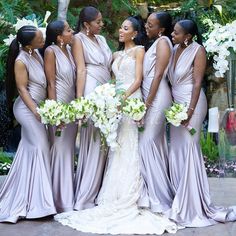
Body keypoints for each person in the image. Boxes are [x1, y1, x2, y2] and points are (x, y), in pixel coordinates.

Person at [54, 17, 178, 235]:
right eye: (121, 26)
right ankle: (114, 194)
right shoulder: (115, 55)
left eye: (125, 28)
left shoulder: (140, 50)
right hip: (116, 103)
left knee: (131, 144)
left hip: (130, 99)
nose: (120, 30)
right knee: (117, 145)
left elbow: (138, 79)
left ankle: (135, 193)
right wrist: (108, 97)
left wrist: (122, 98)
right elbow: (112, 80)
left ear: (135, 33)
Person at [167, 19, 236, 227]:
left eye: (176, 32)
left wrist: (189, 110)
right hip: (175, 106)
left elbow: (198, 82)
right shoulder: (173, 50)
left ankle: (193, 204)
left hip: (193, 104)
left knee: (188, 148)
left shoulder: (198, 51)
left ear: (188, 36)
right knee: (176, 150)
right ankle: (179, 198)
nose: (172, 34)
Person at [0, 25, 56, 223]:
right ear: (29, 43)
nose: (43, 40)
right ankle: (40, 203)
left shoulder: (36, 54)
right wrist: (36, 111)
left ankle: (28, 194)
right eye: (39, 38)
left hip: (38, 108)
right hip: (26, 109)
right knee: (41, 147)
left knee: (29, 150)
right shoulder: (21, 61)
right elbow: (23, 90)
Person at [72, 6, 112, 210]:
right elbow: (80, 69)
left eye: (101, 20)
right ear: (86, 25)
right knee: (94, 137)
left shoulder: (103, 40)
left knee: (106, 136)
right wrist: (80, 100)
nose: (101, 24)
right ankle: (87, 191)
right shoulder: (78, 39)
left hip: (107, 88)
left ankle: (102, 189)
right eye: (98, 22)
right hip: (90, 87)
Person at [138, 11, 175, 213]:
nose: (146, 27)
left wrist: (147, 103)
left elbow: (159, 74)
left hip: (158, 97)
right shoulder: (157, 42)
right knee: (153, 143)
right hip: (151, 95)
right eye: (146, 23)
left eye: (151, 25)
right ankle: (152, 190)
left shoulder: (162, 43)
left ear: (161, 29)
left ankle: (157, 195)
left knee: (146, 143)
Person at [41, 20, 77, 213]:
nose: (72, 32)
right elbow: (51, 83)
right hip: (59, 103)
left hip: (71, 103)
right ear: (59, 37)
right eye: (69, 30)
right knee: (59, 147)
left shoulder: (69, 51)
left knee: (68, 149)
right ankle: (57, 199)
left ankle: (67, 195)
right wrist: (55, 111)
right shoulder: (51, 51)